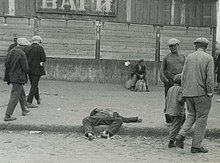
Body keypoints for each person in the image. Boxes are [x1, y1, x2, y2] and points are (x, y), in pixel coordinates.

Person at [175, 37, 214, 153]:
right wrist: (210, 92)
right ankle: (196, 146)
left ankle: (181, 134)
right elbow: (210, 78)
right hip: (201, 93)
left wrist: (183, 91)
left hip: (188, 92)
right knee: (202, 118)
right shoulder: (209, 58)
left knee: (191, 115)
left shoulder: (189, 57)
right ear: (206, 47)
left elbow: (183, 76)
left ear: (196, 46)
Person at [3, 38, 31, 121]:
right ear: (23, 46)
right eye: (26, 46)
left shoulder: (11, 51)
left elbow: (6, 63)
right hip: (19, 76)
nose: (26, 48)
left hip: (11, 75)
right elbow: (26, 68)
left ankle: (24, 109)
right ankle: (8, 115)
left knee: (21, 93)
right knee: (15, 95)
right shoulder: (22, 53)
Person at [160, 38, 185, 124]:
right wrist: (166, 81)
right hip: (170, 82)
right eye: (171, 46)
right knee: (169, 100)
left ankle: (181, 119)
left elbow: (186, 70)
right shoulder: (166, 58)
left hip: (181, 83)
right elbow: (162, 71)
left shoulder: (182, 57)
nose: (173, 47)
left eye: (174, 45)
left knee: (181, 100)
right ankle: (169, 120)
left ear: (178, 45)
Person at [165, 74, 185, 148]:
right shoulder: (180, 89)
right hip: (177, 110)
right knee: (176, 126)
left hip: (169, 110)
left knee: (176, 125)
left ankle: (176, 138)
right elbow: (180, 99)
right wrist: (185, 98)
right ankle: (171, 140)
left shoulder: (170, 89)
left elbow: (167, 99)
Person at [26, 36, 46, 108]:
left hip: (29, 69)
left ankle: (37, 98)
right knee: (34, 85)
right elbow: (44, 58)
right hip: (37, 69)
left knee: (33, 84)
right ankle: (29, 101)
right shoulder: (40, 48)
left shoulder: (28, 47)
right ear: (39, 41)